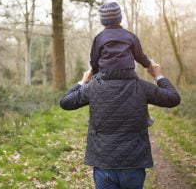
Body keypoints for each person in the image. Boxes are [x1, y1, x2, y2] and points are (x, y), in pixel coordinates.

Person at [60, 60, 180, 189]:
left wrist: (83, 81)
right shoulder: (141, 86)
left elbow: (66, 102)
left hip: (104, 162)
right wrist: (158, 76)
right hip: (133, 163)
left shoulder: (93, 87)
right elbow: (173, 98)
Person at [90, 2, 155, 126]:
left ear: (102, 21)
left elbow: (94, 59)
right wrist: (148, 65)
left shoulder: (99, 38)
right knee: (138, 88)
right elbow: (139, 56)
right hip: (127, 72)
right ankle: (146, 118)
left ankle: (93, 118)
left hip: (106, 73)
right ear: (120, 18)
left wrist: (95, 73)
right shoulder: (130, 36)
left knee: (95, 89)